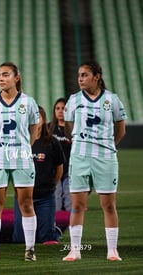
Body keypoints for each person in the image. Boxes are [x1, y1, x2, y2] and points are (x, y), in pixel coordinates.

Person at [62, 61, 127, 262]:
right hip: (80, 157)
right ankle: (74, 250)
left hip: (106, 157)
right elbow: (69, 128)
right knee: (77, 205)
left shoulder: (112, 100)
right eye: (79, 75)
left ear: (96, 77)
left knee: (108, 205)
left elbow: (120, 129)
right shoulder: (73, 100)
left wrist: (108, 145)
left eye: (85, 75)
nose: (80, 78)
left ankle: (112, 250)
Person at [0, 62, 39, 262]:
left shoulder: (28, 102)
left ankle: (30, 249)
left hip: (22, 157)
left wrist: (26, 148)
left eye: (5, 74)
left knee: (26, 204)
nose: (1, 78)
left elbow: (35, 128)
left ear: (17, 77)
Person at [13, 106, 65, 244]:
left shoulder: (52, 142)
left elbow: (59, 168)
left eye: (38, 116)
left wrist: (50, 185)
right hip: (22, 196)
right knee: (20, 240)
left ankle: (53, 230)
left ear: (43, 120)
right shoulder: (19, 142)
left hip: (45, 197)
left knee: (47, 239)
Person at [49, 98, 72, 211]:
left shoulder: (73, 129)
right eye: (57, 108)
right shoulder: (49, 129)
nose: (60, 111)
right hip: (54, 172)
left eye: (63, 108)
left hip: (70, 172)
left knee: (70, 205)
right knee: (56, 205)